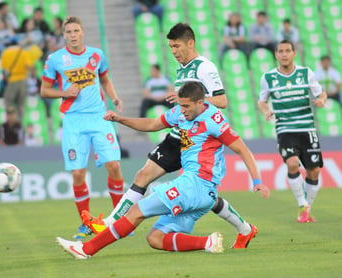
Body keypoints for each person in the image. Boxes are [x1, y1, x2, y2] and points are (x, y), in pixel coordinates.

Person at [82, 23, 262, 250]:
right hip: (178, 135)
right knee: (148, 176)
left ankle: (244, 229)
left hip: (194, 139)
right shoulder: (182, 69)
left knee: (203, 194)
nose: (174, 51)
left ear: (191, 43)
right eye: (170, 47)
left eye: (177, 46)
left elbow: (222, 101)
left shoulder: (205, 67)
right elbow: (160, 119)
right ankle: (109, 223)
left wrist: (190, 100)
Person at [56, 81, 270, 259]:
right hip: (204, 195)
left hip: (195, 185)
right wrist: (120, 119)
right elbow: (151, 124)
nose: (182, 111)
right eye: (181, 106)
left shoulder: (214, 121)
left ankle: (86, 249)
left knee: (136, 212)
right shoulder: (180, 112)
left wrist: (257, 181)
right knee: (155, 239)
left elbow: (242, 149)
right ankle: (208, 242)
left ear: (200, 102)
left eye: (186, 107)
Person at [40, 16, 125, 240]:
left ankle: (119, 219)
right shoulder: (55, 59)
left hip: (99, 117)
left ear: (82, 32)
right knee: (78, 172)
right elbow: (44, 91)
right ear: (64, 35)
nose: (73, 35)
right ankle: (86, 222)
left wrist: (114, 98)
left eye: (76, 30)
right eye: (68, 32)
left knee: (114, 166)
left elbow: (105, 79)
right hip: (73, 120)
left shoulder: (96, 55)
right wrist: (64, 93)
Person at [258, 39, 327, 223]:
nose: (284, 54)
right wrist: (265, 111)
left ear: (294, 53)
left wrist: (321, 101)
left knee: (314, 172)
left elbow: (321, 93)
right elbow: (262, 101)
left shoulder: (306, 73)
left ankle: (306, 209)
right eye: (280, 51)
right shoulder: (268, 77)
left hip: (307, 128)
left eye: (288, 50)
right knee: (292, 164)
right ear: (276, 54)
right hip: (285, 129)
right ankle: (302, 204)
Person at [0, 39, 34, 121]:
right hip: (23, 79)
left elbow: (3, 69)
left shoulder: (6, 52)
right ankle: (20, 122)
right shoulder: (24, 52)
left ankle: (11, 120)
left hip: (12, 80)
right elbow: (30, 67)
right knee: (21, 104)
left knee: (9, 102)